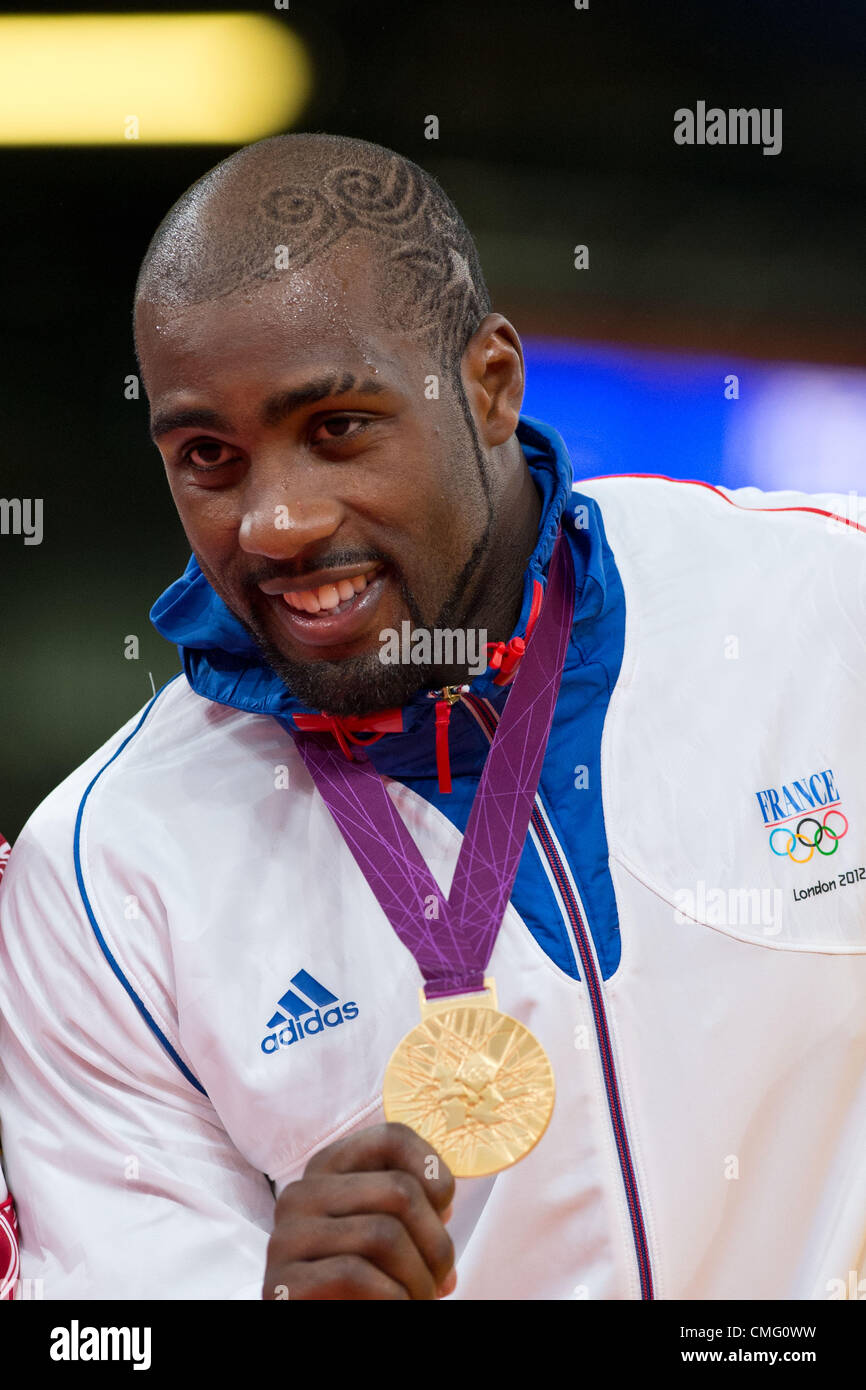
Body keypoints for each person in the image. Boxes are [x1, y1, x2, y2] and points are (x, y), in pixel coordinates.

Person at [0, 132, 864, 1301]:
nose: (276, 523)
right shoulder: (103, 877)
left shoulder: (825, 602)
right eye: (209, 455)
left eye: (337, 428)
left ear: (491, 385)